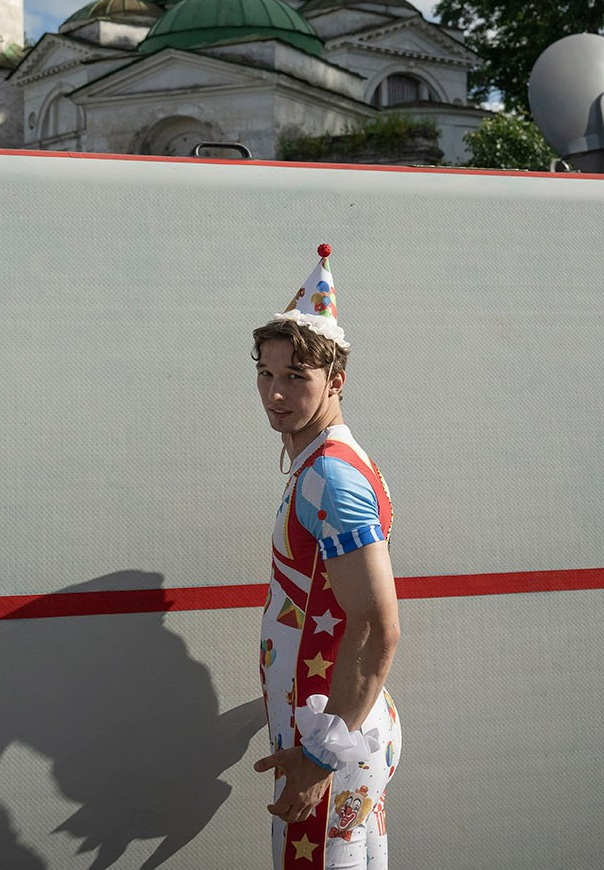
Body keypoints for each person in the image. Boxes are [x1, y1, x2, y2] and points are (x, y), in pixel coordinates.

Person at [250, 244, 402, 868]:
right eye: (266, 374)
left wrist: (318, 756)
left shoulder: (330, 478)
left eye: (296, 377)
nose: (275, 393)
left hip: (330, 737)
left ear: (335, 381)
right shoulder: (319, 461)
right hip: (336, 728)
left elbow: (377, 625)